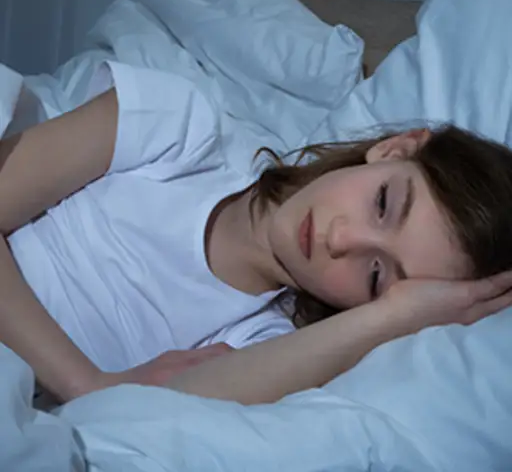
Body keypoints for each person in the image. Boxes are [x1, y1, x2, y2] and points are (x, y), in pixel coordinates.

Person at [1, 61, 512, 406]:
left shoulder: (261, 345)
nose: (340, 240)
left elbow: (146, 422)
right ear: (394, 149)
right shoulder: (182, 129)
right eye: (382, 203)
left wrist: (395, 316)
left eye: (376, 275)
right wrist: (85, 383)